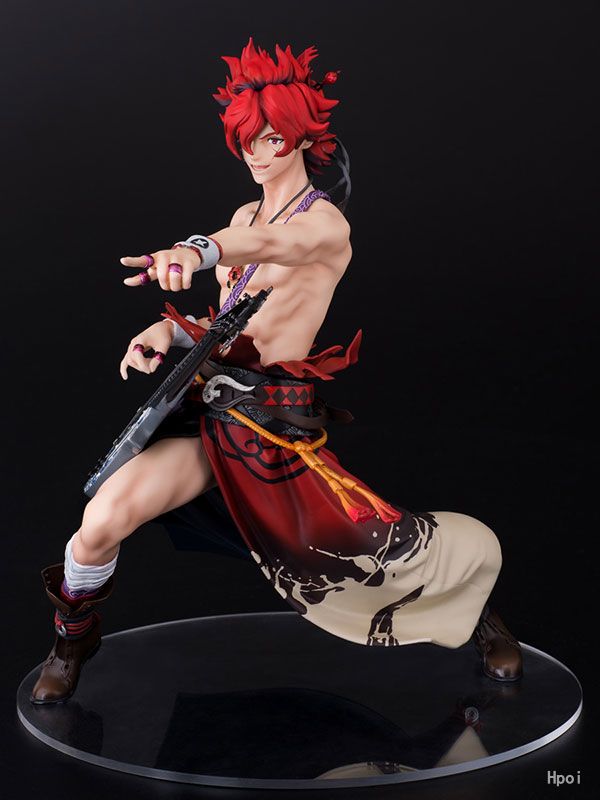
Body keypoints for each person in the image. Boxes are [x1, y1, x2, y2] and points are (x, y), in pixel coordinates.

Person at [31, 38, 522, 705]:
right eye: (246, 142)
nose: (257, 155)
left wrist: (196, 249)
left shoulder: (324, 226)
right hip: (213, 413)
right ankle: (72, 640)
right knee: (101, 520)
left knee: (368, 550)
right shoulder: (245, 212)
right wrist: (167, 331)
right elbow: (232, 321)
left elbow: (269, 244)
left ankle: (480, 613)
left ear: (304, 139)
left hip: (273, 429)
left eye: (272, 140)